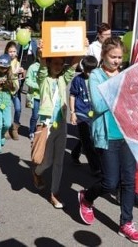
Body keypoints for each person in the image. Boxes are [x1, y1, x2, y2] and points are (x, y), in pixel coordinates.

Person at [78, 37, 138, 243]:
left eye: (120, 57)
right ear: (103, 56)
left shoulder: (125, 74)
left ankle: (126, 223)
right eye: (113, 57)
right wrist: (119, 86)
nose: (117, 61)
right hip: (107, 136)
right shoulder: (96, 76)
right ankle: (86, 198)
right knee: (110, 182)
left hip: (127, 135)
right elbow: (98, 106)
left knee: (128, 181)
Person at [32, 39, 85, 209]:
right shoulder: (43, 78)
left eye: (61, 64)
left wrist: (81, 47)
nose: (58, 66)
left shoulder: (63, 78)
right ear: (49, 63)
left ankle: (54, 193)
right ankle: (37, 172)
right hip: (47, 124)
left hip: (61, 124)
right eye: (55, 63)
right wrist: (41, 54)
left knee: (59, 162)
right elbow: (41, 68)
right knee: (46, 162)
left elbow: (74, 66)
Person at [69, 55, 102, 175]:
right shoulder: (78, 80)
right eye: (88, 71)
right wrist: (72, 113)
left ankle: (74, 153)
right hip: (81, 112)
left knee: (89, 137)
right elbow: (72, 95)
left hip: (94, 112)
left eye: (93, 71)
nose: (90, 73)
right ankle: (95, 168)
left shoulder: (99, 79)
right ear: (83, 69)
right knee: (88, 141)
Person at [0, 53, 19, 153]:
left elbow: (15, 89)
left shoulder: (11, 76)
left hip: (6, 102)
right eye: (1, 67)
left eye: (5, 68)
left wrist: (9, 84)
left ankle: (1, 134)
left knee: (7, 123)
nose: (3, 69)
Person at [4, 41, 25, 140]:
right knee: (7, 109)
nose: (12, 53)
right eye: (10, 51)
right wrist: (14, 72)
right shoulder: (4, 61)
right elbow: (4, 75)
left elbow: (20, 77)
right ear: (7, 52)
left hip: (16, 90)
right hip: (7, 89)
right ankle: (6, 129)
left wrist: (21, 72)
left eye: (14, 51)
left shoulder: (17, 62)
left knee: (18, 109)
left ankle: (15, 128)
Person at [24, 59, 41, 141]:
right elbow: (27, 80)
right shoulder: (32, 67)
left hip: (45, 96)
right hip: (34, 96)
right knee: (35, 115)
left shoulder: (48, 66)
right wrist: (38, 86)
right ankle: (31, 131)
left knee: (45, 117)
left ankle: (42, 132)